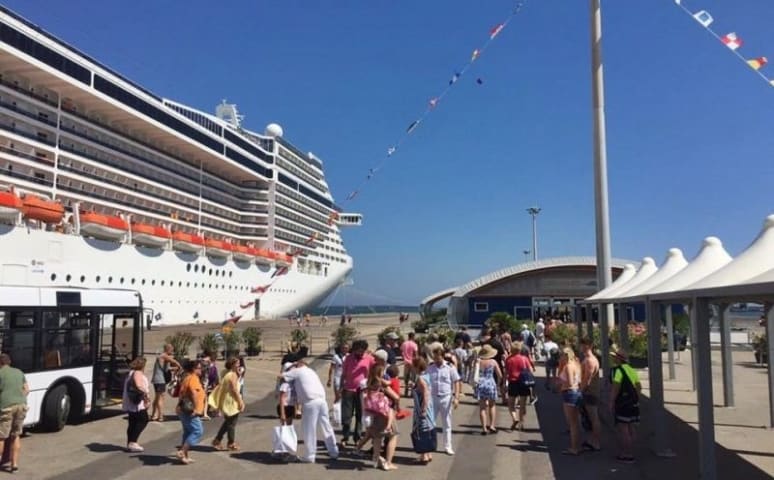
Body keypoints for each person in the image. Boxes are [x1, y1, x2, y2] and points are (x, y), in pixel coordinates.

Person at [281, 361, 339, 463]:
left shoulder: (298, 371)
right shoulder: (311, 371)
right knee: (326, 426)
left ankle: (310, 455)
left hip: (310, 402)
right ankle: (333, 451)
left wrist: (291, 367)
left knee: (309, 429)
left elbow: (281, 376)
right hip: (322, 400)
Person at [362, 364, 399, 470]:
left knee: (378, 437)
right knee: (393, 435)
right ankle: (388, 462)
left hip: (374, 412)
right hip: (384, 412)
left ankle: (376, 459)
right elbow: (395, 397)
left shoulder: (368, 382)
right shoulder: (381, 384)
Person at [338, 340, 374, 447]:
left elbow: (374, 371)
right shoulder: (348, 358)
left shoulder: (369, 358)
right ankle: (345, 436)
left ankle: (357, 438)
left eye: (363, 351)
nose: (361, 353)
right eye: (359, 351)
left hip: (362, 391)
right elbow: (343, 374)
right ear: (355, 350)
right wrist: (339, 389)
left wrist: (370, 387)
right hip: (348, 390)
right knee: (346, 416)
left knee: (360, 415)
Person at [427, 343, 461, 455]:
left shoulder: (450, 367)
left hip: (446, 397)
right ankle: (431, 445)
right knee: (430, 423)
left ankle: (448, 446)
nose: (436, 360)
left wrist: (456, 397)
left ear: (442, 356)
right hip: (433, 398)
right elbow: (425, 382)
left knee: (446, 423)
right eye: (435, 358)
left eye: (438, 357)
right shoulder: (430, 367)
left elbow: (456, 381)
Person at [610, 350, 641, 463]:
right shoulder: (632, 370)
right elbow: (638, 387)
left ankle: (626, 454)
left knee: (623, 429)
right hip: (633, 404)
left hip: (622, 404)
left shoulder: (618, 371)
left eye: (615, 357)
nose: (613, 359)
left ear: (619, 359)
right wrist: (636, 399)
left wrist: (611, 402)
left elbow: (615, 387)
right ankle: (631, 451)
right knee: (632, 428)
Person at [0, 354, 28, 473]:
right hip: (21, 405)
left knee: (1, 436)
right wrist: (19, 398)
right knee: (15, 435)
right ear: (9, 362)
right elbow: (27, 390)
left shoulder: (0, 373)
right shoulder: (19, 372)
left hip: (6, 407)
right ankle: (14, 464)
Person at [211, 357, 245, 451]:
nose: (239, 365)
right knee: (231, 423)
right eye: (237, 363)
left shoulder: (227, 373)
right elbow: (234, 390)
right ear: (232, 365)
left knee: (228, 422)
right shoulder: (232, 375)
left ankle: (217, 440)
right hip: (231, 401)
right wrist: (240, 402)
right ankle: (231, 443)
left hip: (227, 401)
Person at [176, 360, 206, 465]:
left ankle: (185, 456)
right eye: (199, 368)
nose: (201, 369)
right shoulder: (193, 378)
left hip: (182, 409)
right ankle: (182, 452)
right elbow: (194, 393)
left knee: (188, 432)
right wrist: (197, 409)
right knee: (198, 430)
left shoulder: (187, 377)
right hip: (189, 410)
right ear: (194, 369)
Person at [557, 348, 583, 456]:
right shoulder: (576, 365)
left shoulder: (568, 366)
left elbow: (570, 382)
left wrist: (561, 384)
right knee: (576, 422)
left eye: (561, 355)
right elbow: (579, 380)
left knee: (572, 423)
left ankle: (574, 448)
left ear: (565, 356)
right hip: (576, 392)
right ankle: (577, 445)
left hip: (569, 393)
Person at [122, 357, 150, 452]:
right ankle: (133, 442)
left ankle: (129, 443)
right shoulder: (138, 373)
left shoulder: (131, 373)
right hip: (137, 403)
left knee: (132, 422)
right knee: (144, 420)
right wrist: (146, 395)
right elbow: (138, 385)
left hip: (131, 402)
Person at [504, 343, 534, 431]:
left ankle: (514, 418)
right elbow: (530, 370)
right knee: (522, 404)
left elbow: (506, 372)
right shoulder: (524, 358)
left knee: (511, 404)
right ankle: (521, 423)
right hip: (523, 383)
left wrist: (503, 383)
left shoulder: (509, 359)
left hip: (513, 382)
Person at [579, 337, 601, 452]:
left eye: (582, 345)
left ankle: (596, 442)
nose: (580, 347)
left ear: (587, 346)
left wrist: (580, 392)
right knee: (589, 418)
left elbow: (587, 379)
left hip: (589, 392)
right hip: (590, 392)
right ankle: (592, 440)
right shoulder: (590, 359)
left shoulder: (590, 361)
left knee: (593, 418)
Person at [474, 344, 502, 435]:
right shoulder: (493, 362)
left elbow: (475, 373)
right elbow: (500, 375)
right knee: (492, 406)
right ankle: (492, 426)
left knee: (482, 407)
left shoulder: (479, 361)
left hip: (481, 383)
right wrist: (498, 384)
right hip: (490, 383)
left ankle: (484, 428)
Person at [411, 356, 435, 464]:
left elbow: (425, 392)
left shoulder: (420, 378)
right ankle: (429, 453)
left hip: (422, 406)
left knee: (422, 429)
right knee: (428, 428)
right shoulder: (427, 375)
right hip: (429, 406)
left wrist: (423, 409)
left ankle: (424, 455)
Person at [150, 344, 180, 422]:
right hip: (160, 380)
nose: (172, 352)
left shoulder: (162, 357)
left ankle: (153, 415)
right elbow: (174, 361)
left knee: (157, 397)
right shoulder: (164, 355)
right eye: (171, 350)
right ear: (168, 349)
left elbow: (166, 369)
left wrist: (174, 368)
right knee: (161, 398)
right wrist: (180, 367)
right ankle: (160, 416)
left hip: (157, 379)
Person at [400, 333, 418, 397]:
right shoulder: (414, 344)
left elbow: (401, 351)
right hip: (412, 363)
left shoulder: (404, 343)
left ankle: (406, 392)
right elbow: (415, 354)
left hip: (406, 363)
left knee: (406, 378)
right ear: (413, 337)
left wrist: (403, 357)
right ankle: (412, 393)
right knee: (413, 379)